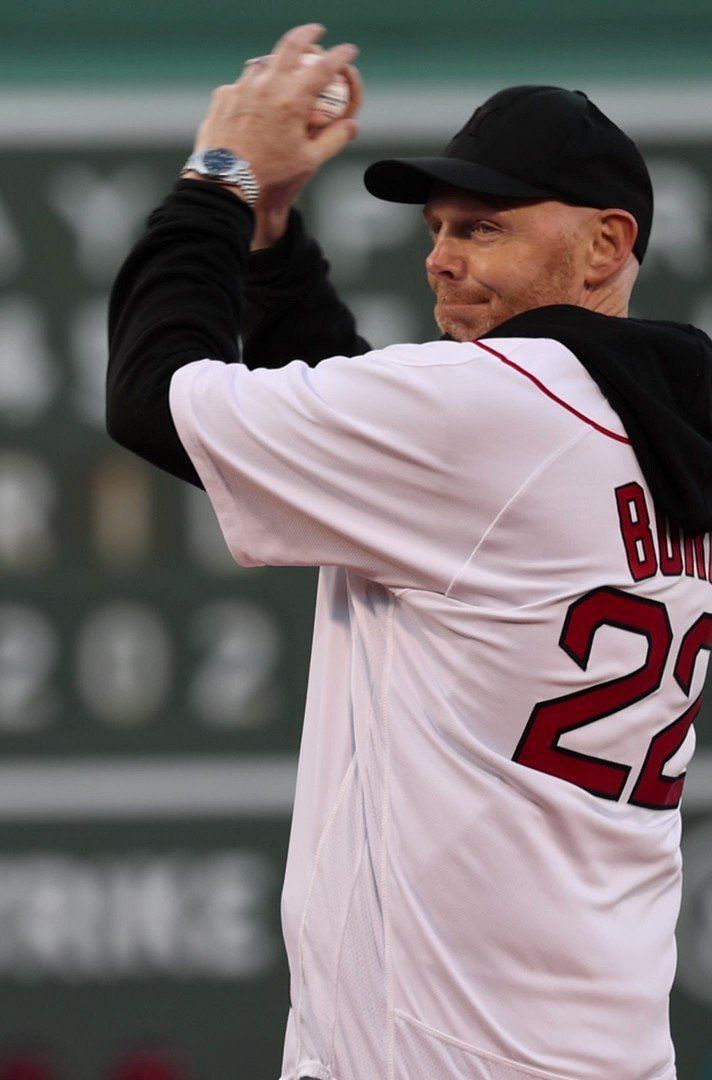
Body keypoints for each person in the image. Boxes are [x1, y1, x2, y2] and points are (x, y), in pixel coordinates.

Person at [106, 23, 712, 1080]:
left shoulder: (498, 405)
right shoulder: (657, 425)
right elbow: (394, 442)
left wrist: (221, 178)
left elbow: (153, 399)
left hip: (439, 1056)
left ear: (605, 245)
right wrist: (276, 236)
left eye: (482, 227)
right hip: (604, 1043)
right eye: (438, 226)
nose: (440, 255)